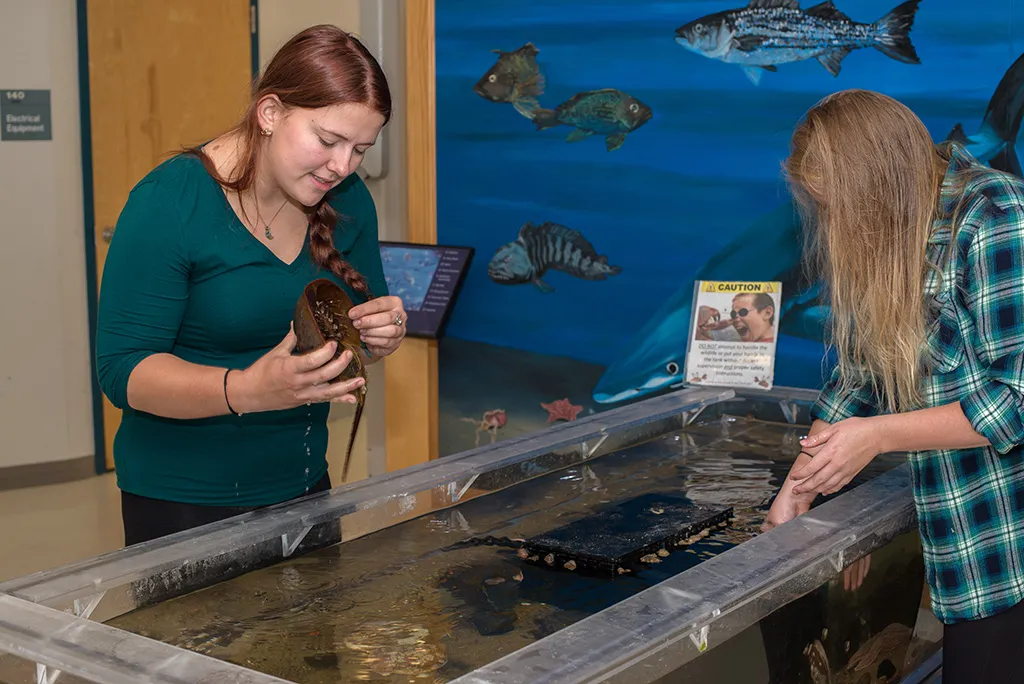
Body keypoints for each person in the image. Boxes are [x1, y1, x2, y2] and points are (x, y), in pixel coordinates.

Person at [95, 25, 407, 547]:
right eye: (328, 141)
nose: (342, 166)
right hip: (182, 500)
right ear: (270, 113)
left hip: (303, 486)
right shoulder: (170, 202)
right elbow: (122, 370)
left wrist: (377, 338)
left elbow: (339, 352)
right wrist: (246, 390)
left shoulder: (349, 200)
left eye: (360, 149)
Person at [764, 89, 1024, 682]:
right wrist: (801, 492)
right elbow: (857, 375)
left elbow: (1018, 398)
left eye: (843, 208)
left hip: (1011, 544)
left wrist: (877, 436)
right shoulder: (896, 233)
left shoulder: (996, 216)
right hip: (968, 549)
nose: (838, 226)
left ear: (880, 184)